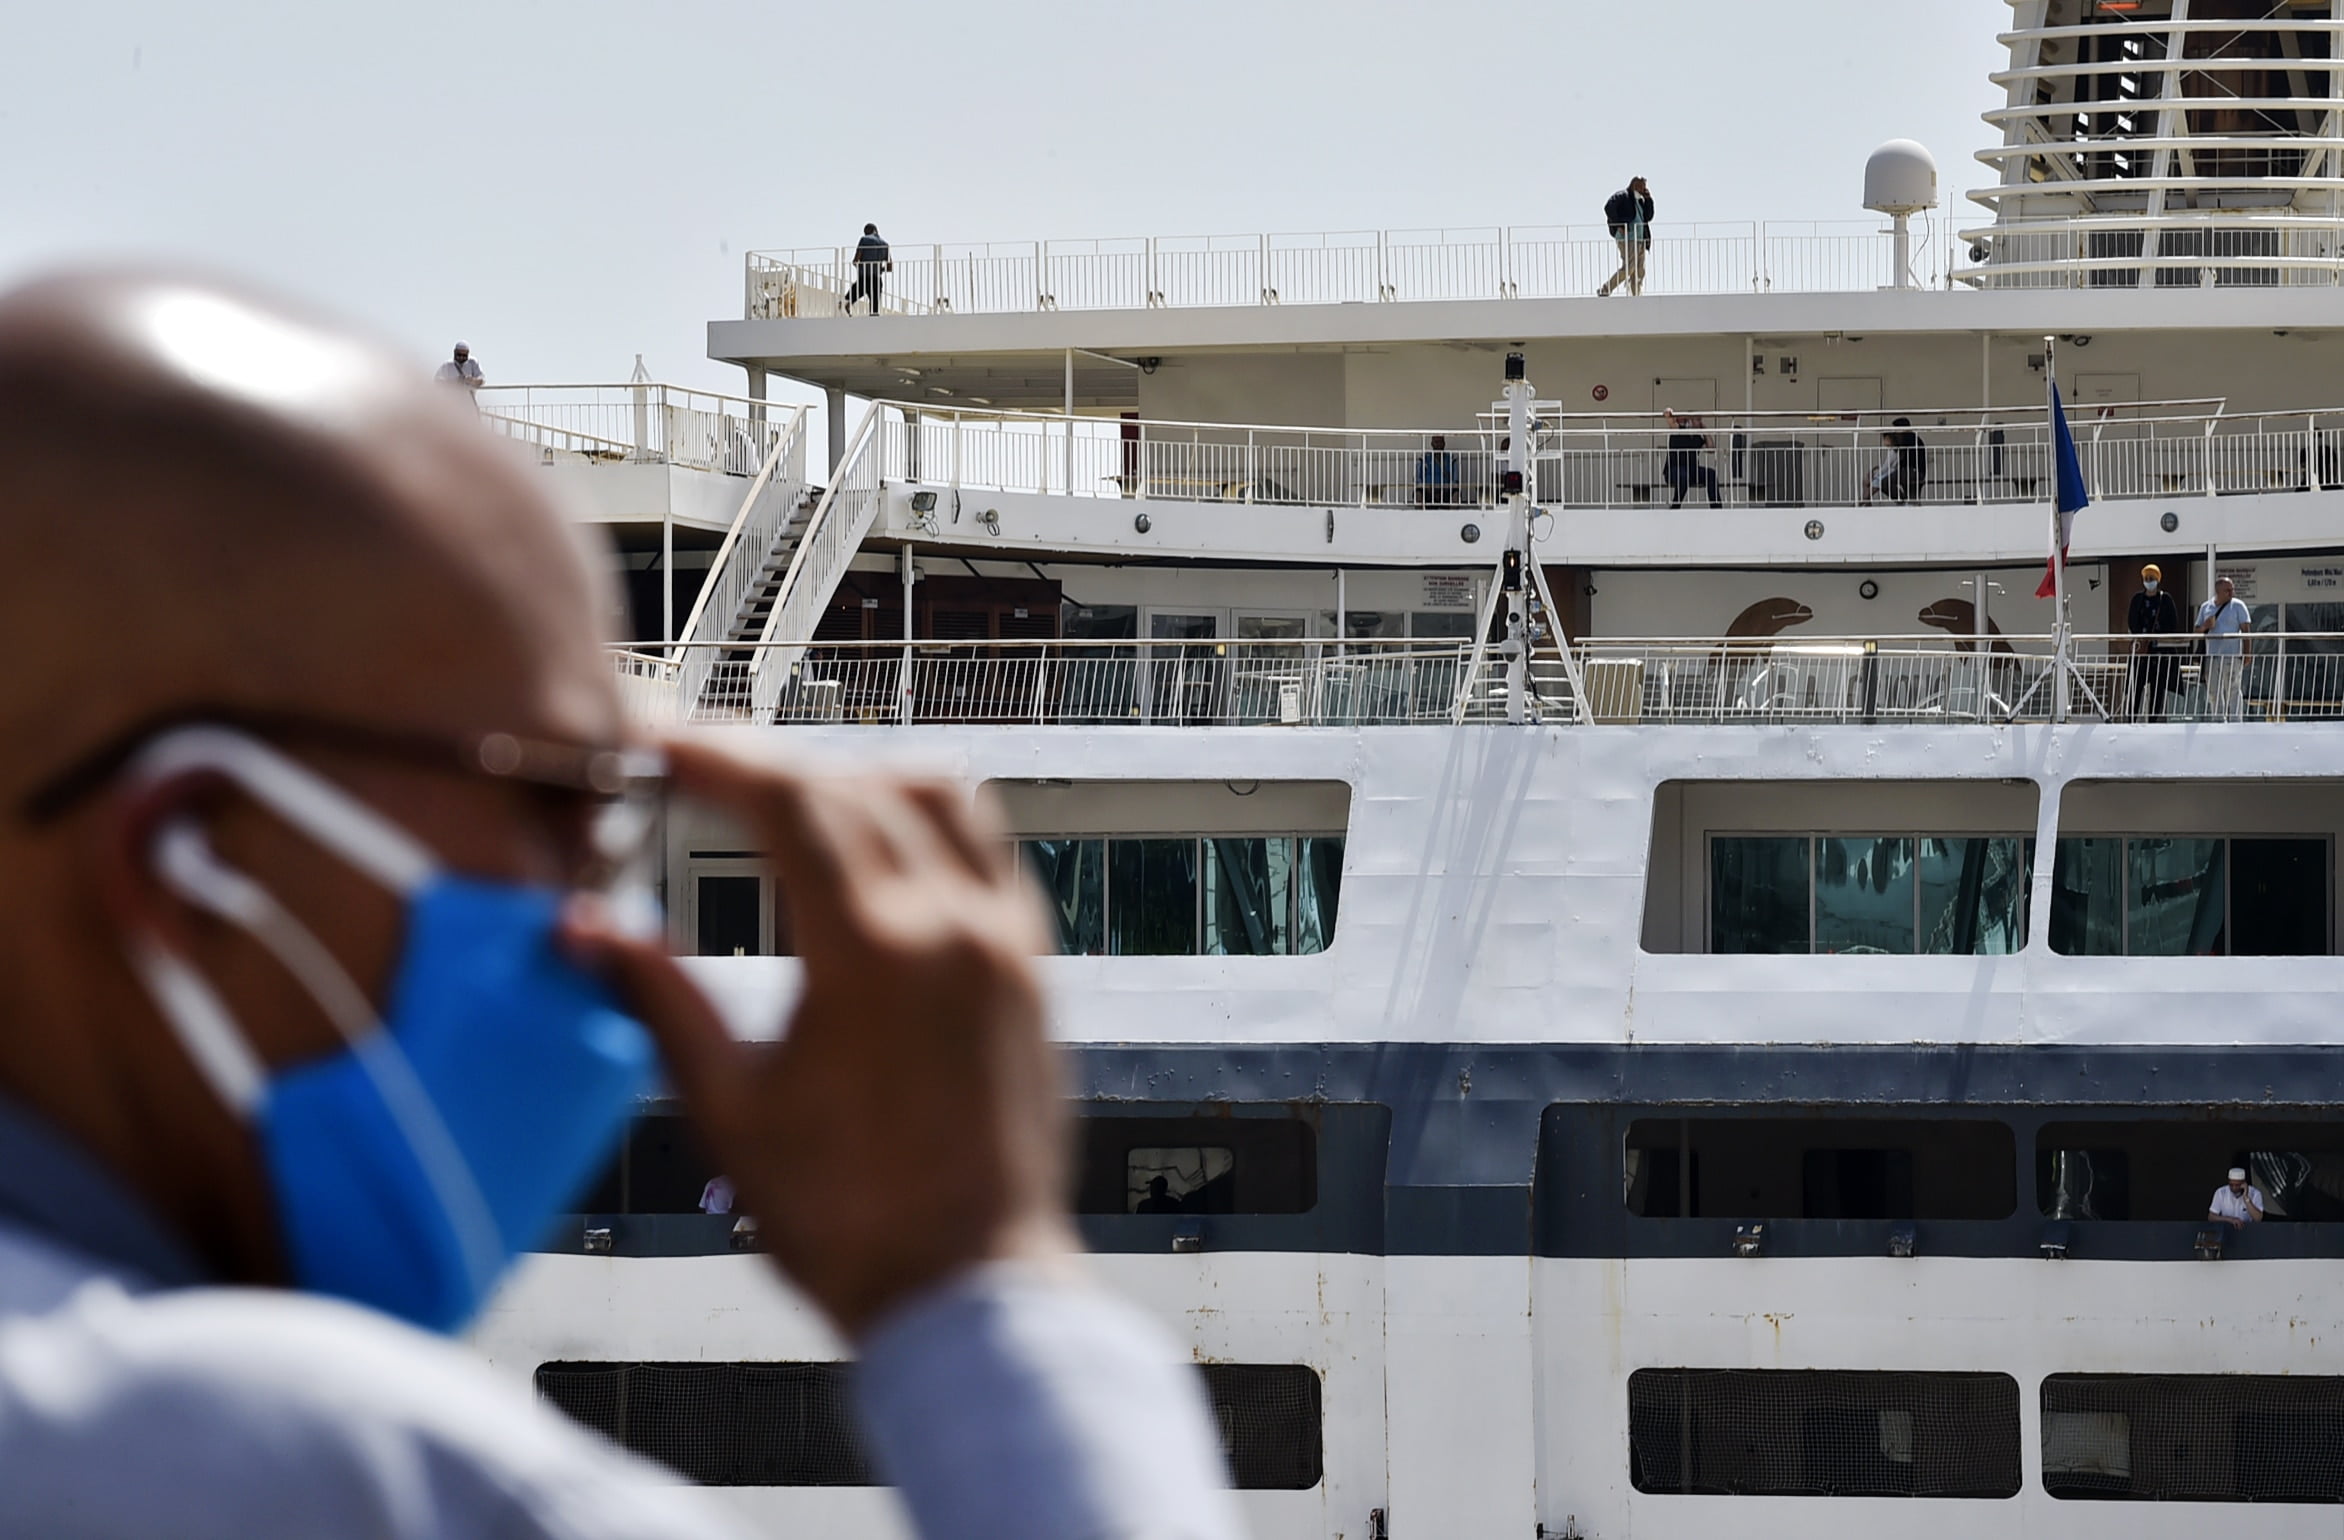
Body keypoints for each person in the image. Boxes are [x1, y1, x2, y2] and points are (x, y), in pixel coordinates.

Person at [0, 270, 1240, 1540]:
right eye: (561, 808)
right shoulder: (312, 1469)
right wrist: (979, 1278)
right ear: (201, 860)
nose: (615, 926)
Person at [2126, 562, 2187, 720]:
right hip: (2142, 652)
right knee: (2136, 685)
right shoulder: (2137, 599)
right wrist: (2141, 636)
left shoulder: (2165, 599)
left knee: (2158, 687)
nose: (2149, 580)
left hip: (2161, 652)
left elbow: (2172, 623)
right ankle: (2131, 717)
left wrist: (2159, 636)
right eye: (2146, 578)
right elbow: (2132, 621)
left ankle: (2153, 719)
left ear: (2158, 580)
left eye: (2152, 578)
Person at [2196, 574, 2253, 721]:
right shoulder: (2205, 607)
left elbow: (2246, 630)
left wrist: (2247, 653)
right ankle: (2218, 719)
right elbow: (2196, 631)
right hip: (2212, 656)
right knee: (2213, 690)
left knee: (2233, 690)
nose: (2231, 593)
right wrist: (2205, 626)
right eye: (2227, 590)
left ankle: (2235, 720)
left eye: (2232, 589)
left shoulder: (2238, 606)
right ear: (2218, 591)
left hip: (2232, 655)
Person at [1597, 177, 1654, 297]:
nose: (1643, 189)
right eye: (1641, 186)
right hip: (1628, 238)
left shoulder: (1640, 201)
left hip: (1640, 239)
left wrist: (1648, 200)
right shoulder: (1623, 196)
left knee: (1639, 271)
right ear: (1635, 185)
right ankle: (1606, 288)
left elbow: (1648, 216)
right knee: (1629, 267)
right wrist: (1618, 225)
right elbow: (1609, 207)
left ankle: (1636, 295)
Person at [1662, 409, 1721, 508]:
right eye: (1697, 419)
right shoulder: (1679, 430)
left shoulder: (1697, 437)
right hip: (1673, 470)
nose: (1699, 422)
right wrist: (1668, 414)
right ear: (1689, 420)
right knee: (1683, 476)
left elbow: (1711, 448)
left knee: (1711, 474)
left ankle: (1716, 507)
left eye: (1700, 420)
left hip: (1692, 470)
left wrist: (1704, 429)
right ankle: (1675, 506)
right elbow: (1671, 422)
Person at [843, 222, 892, 316]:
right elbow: (889, 267)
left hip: (864, 277)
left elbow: (855, 260)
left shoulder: (864, 239)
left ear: (867, 231)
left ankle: (847, 304)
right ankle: (873, 318)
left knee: (851, 295)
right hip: (876, 278)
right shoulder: (885, 244)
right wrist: (880, 269)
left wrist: (860, 266)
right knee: (874, 307)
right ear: (876, 230)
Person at [1416, 434, 1459, 506]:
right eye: (1436, 442)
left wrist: (1446, 488)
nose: (1438, 445)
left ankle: (1453, 516)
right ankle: (1420, 516)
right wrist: (1426, 487)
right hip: (1428, 491)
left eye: (1440, 442)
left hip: (1446, 491)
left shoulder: (1451, 459)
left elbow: (1455, 479)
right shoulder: (1425, 458)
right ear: (1432, 444)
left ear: (1444, 444)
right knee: (1418, 493)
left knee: (1456, 493)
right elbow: (1418, 478)